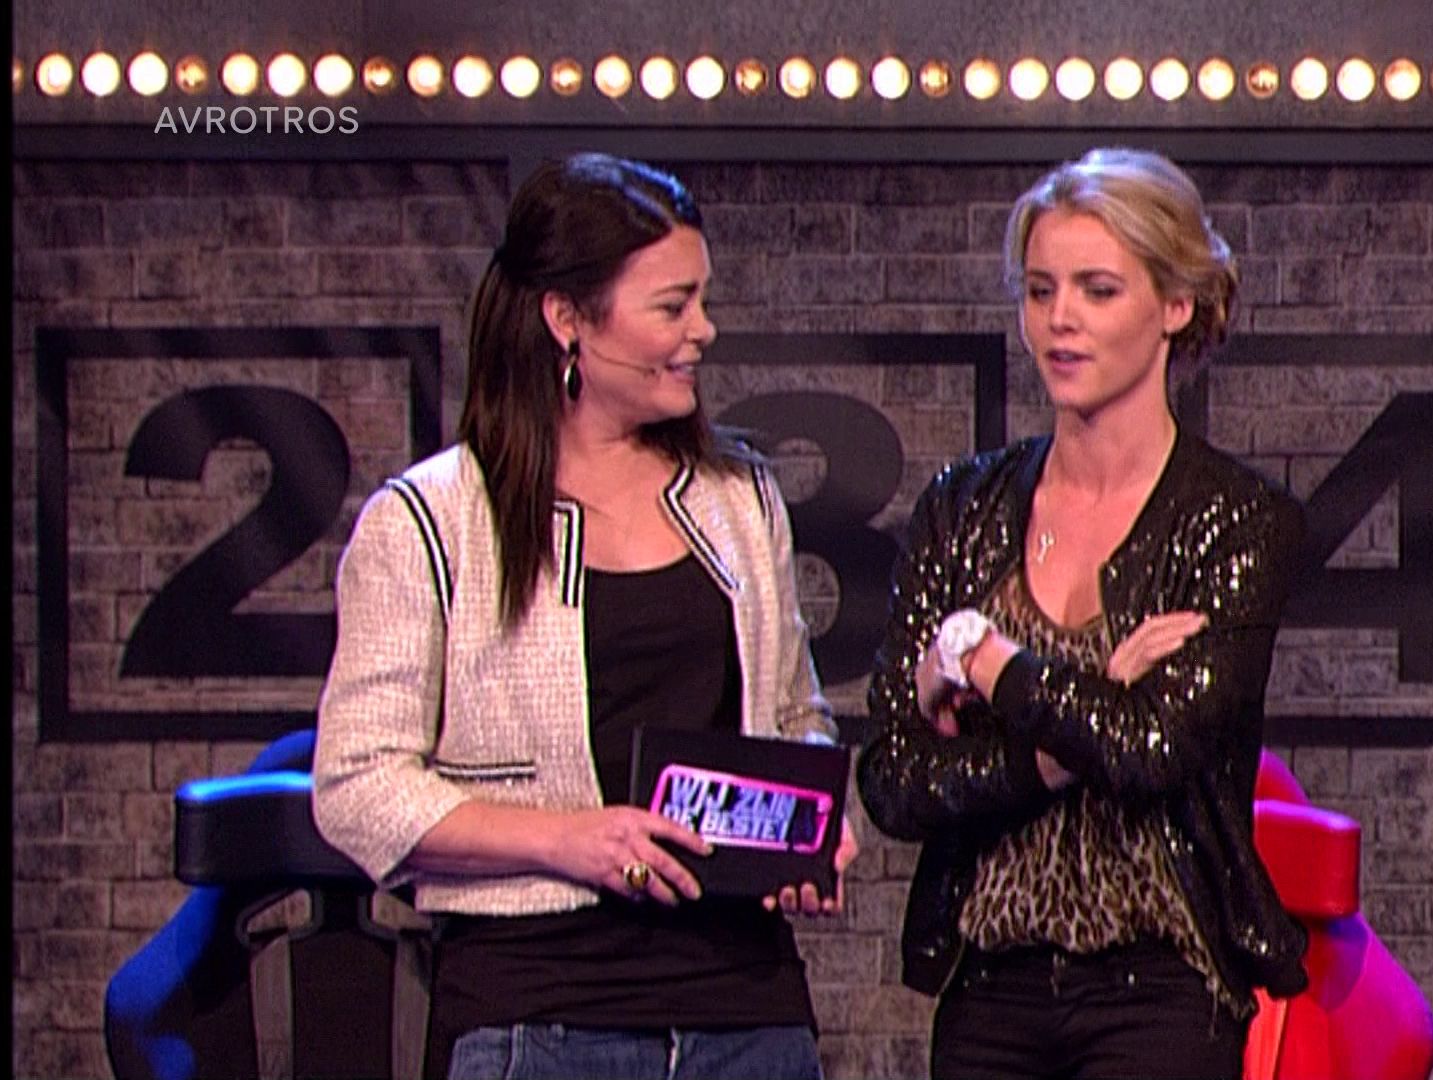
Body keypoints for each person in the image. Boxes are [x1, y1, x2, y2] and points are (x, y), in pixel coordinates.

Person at [312, 152, 855, 1080]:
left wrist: (807, 822)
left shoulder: (740, 496)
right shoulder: (430, 521)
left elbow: (794, 716)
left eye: (702, 300)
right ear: (567, 319)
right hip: (538, 1016)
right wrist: (573, 840)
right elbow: (358, 788)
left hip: (746, 1012)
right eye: (672, 307)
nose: (703, 330)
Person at [857, 147, 1310, 1079]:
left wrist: (986, 663)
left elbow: (1151, 750)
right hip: (989, 983)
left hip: (1161, 988)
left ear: (1175, 305)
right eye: (1040, 291)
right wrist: (1064, 738)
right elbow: (896, 779)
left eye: (1097, 290)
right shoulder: (961, 508)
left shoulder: (1236, 518)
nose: (1059, 318)